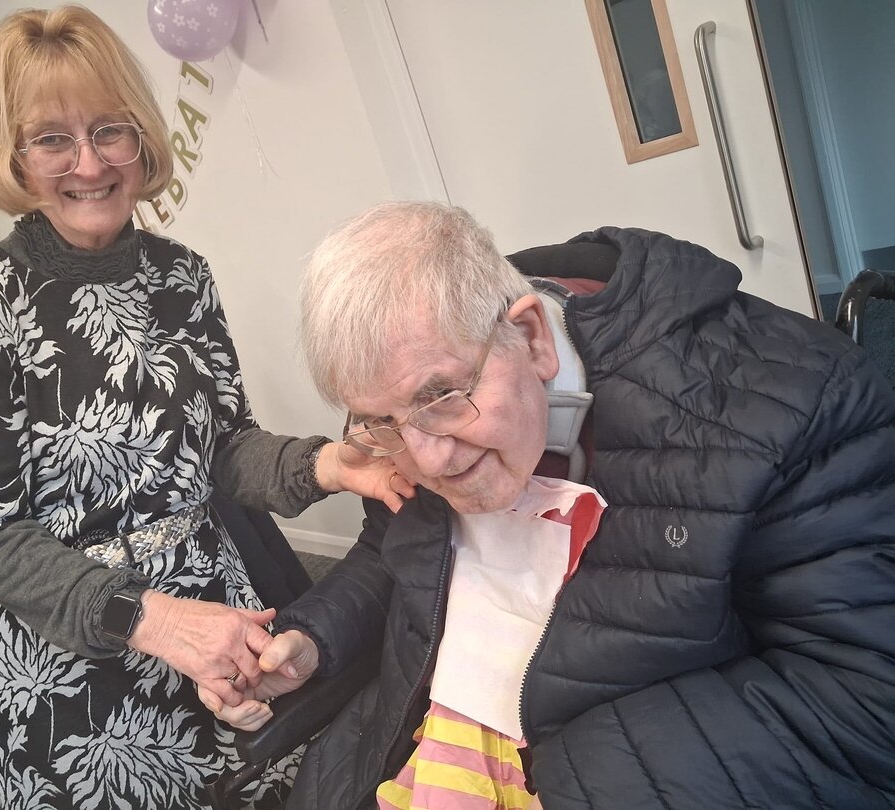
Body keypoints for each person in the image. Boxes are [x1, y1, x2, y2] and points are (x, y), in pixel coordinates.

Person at [203, 202, 895, 809]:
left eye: (441, 397)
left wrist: (569, 784)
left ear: (532, 337)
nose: (428, 459)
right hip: (418, 751)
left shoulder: (792, 401)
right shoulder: (416, 409)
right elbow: (392, 557)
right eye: (381, 423)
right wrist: (313, 639)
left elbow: (866, 704)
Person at [0, 7, 408, 809]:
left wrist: (327, 463)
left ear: (142, 136)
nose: (89, 163)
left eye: (110, 129)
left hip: (204, 596)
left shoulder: (181, 275)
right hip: (55, 650)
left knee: (255, 781)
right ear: (13, 156)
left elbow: (222, 447)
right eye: (51, 140)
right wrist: (155, 621)